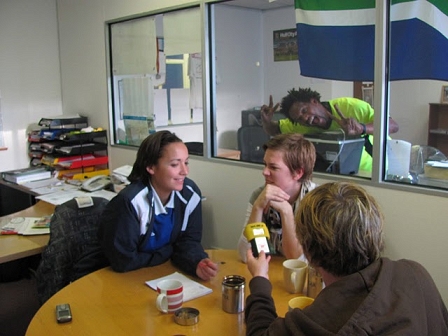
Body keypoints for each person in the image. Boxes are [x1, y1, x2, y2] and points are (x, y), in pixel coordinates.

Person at [244, 182, 448, 335]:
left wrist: (260, 280)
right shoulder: (415, 274)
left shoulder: (313, 323)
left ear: (309, 253)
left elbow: (261, 332)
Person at [98, 131, 218, 281]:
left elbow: (188, 241)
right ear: (151, 167)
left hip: (157, 274)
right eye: (175, 164)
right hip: (117, 279)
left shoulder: (190, 195)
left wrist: (196, 262)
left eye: (186, 162)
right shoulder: (129, 202)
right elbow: (123, 261)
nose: (185, 171)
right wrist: (169, 251)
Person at [260, 88, 399, 172]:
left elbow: (393, 126)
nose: (306, 118)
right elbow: (274, 129)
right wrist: (266, 121)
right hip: (346, 174)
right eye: (300, 119)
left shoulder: (350, 107)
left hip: (381, 171)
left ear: (314, 101)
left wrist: (362, 128)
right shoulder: (300, 125)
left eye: (305, 110)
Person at [237, 133, 317, 262]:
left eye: (273, 167)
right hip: (272, 270)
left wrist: (286, 212)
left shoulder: (317, 203)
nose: (265, 172)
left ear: (298, 173)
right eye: (265, 164)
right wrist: (258, 208)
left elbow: (298, 262)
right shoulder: (260, 195)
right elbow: (246, 255)